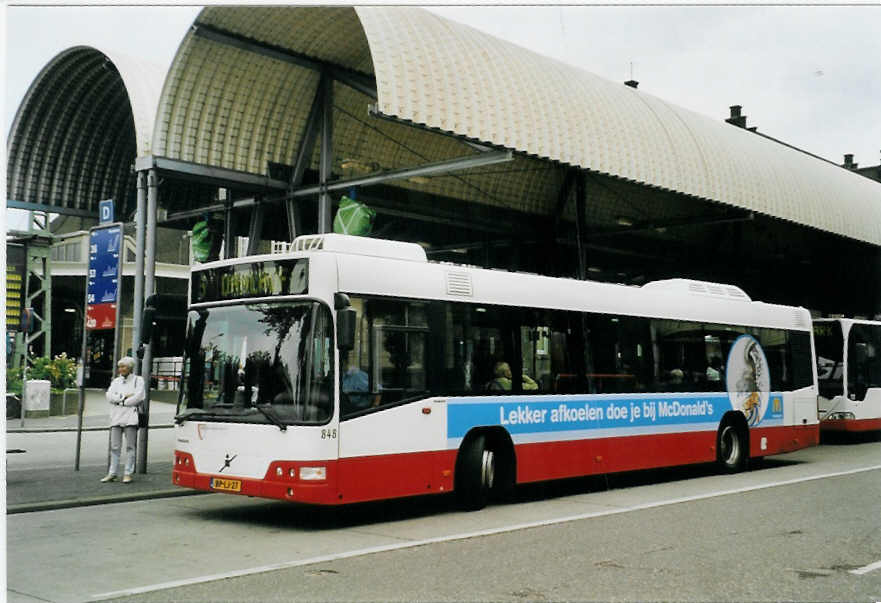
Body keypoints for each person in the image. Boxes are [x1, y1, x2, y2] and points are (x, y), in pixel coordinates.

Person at [101, 356, 145, 484]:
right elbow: (109, 396)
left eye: (123, 366)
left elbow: (138, 397)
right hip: (116, 417)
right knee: (114, 447)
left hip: (131, 417)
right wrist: (124, 397)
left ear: (130, 368)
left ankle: (127, 473)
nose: (121, 369)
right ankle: (112, 473)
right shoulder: (116, 381)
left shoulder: (138, 380)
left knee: (130, 447)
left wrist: (119, 401)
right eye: (119, 367)